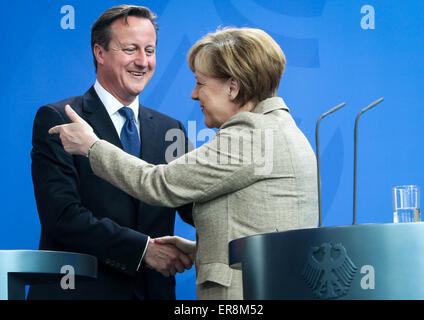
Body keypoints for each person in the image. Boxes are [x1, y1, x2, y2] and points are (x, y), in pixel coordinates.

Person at [50, 27, 318, 300]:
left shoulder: (250, 136)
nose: (193, 94)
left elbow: (159, 183)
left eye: (201, 83)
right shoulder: (281, 129)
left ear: (233, 87)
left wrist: (92, 147)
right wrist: (203, 249)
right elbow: (258, 225)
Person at [29, 5, 194, 300]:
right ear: (100, 53)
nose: (143, 62)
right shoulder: (60, 119)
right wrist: (144, 250)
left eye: (150, 50)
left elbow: (196, 207)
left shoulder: (172, 130)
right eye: (130, 49)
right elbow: (62, 216)